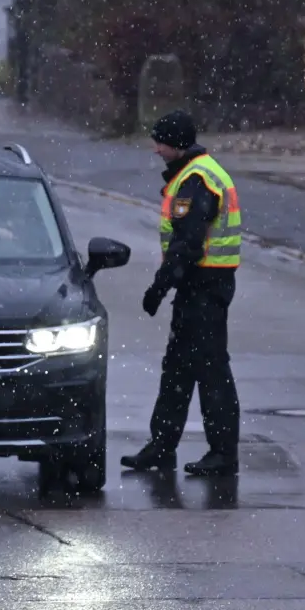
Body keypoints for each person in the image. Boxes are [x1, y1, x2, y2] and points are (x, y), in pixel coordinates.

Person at [121, 111, 243, 479]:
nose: (156, 149)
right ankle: (162, 446)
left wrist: (160, 286)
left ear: (176, 144)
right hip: (199, 289)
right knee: (178, 369)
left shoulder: (196, 181)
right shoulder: (197, 173)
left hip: (204, 288)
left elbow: (188, 244)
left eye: (160, 142)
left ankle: (222, 454)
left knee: (210, 372)